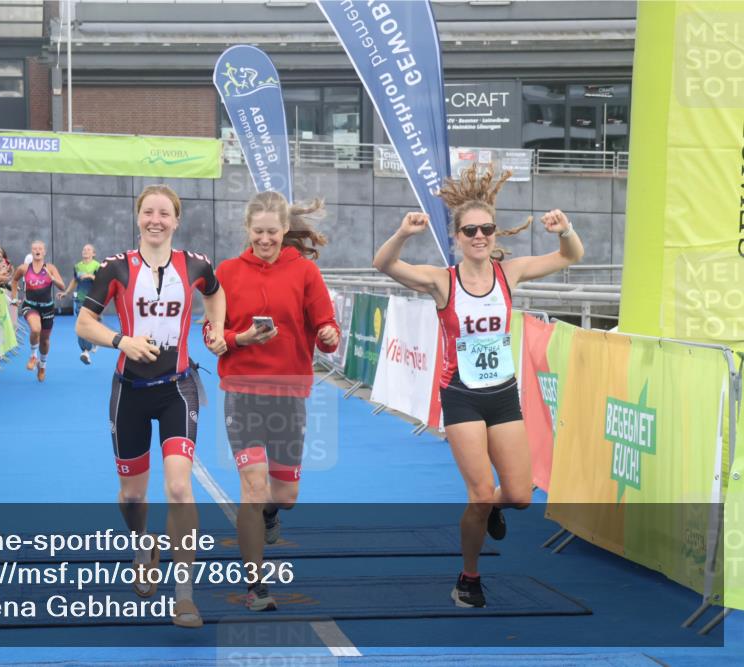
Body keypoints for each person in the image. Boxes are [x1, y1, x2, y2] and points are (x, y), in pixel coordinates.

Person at [371, 164, 585, 608]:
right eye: (470, 230)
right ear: (457, 237)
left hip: (503, 394)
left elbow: (570, 257)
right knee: (479, 493)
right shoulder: (440, 280)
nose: (479, 236)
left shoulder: (510, 274)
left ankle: (491, 512)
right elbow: (384, 264)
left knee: (521, 497)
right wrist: (404, 232)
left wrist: (565, 229)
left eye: (486, 228)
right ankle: (468, 577)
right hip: (462, 395)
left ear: (494, 233)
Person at [76, 184, 227, 628]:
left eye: (165, 213)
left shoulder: (196, 264)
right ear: (137, 217)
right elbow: (85, 322)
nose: (156, 220)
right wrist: (121, 340)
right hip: (129, 392)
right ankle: (144, 543)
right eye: (148, 213)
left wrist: (214, 327)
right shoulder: (115, 267)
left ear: (177, 221)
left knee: (179, 487)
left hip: (178, 388)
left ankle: (185, 595)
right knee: (132, 496)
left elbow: (215, 293)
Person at [205, 191, 340, 611]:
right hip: (242, 392)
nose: (265, 240)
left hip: (289, 393)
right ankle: (255, 584)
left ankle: (270, 513)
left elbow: (326, 323)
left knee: (283, 496)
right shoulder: (225, 272)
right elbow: (212, 337)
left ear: (285, 230)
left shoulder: (304, 272)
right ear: (247, 230)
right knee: (253, 487)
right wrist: (237, 338)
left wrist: (329, 335)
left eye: (272, 232)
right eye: (258, 232)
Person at [10, 241, 65, 382]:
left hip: (47, 307)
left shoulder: (51, 268)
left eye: (40, 248)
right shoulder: (24, 268)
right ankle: (33, 356)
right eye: (34, 248)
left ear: (44, 251)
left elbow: (62, 287)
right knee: (35, 329)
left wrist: (53, 279)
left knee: (45, 340)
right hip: (30, 305)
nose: (37, 250)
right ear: (31, 251)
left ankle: (43, 365)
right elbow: (14, 280)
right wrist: (14, 298)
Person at [61, 243, 101, 364]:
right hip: (80, 299)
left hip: (93, 300)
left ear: (93, 253)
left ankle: (95, 341)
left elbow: (102, 281)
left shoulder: (97, 265)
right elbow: (74, 280)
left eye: (88, 249)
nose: (85, 251)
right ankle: (85, 351)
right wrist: (66, 292)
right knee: (81, 325)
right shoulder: (77, 266)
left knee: (91, 324)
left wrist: (91, 276)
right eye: (84, 249)